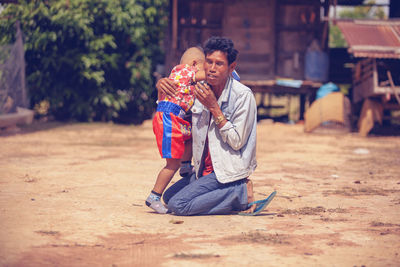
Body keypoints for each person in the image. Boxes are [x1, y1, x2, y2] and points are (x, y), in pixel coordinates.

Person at [156, 36, 276, 216]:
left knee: (178, 205)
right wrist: (162, 88)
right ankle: (226, 194)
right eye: (209, 62)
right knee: (169, 196)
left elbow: (237, 141)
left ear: (231, 68)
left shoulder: (243, 96)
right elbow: (175, 115)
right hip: (202, 171)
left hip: (226, 170)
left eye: (219, 64)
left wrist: (214, 107)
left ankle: (240, 191)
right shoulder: (197, 88)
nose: (212, 68)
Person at [146, 47, 206, 214]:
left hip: (173, 117)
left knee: (191, 134)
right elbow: (208, 75)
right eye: (203, 65)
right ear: (195, 63)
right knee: (172, 163)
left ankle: (186, 166)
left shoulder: (176, 73)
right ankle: (154, 197)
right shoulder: (186, 71)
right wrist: (225, 70)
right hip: (169, 118)